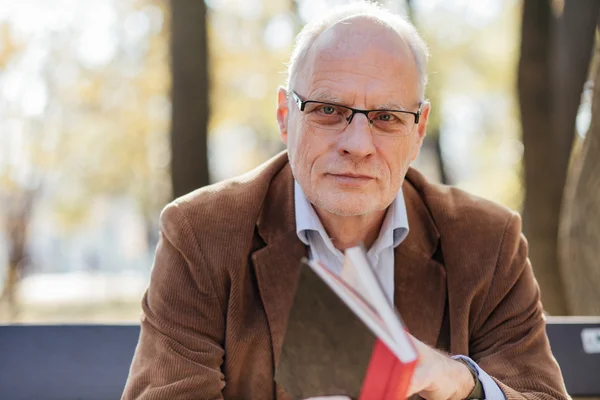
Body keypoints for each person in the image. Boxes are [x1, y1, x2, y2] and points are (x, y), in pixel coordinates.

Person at [122, 2, 568, 400]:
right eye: (328, 110)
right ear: (284, 116)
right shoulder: (201, 232)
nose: (357, 144)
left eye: (387, 117)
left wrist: (461, 384)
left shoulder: (488, 241)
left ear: (418, 131)